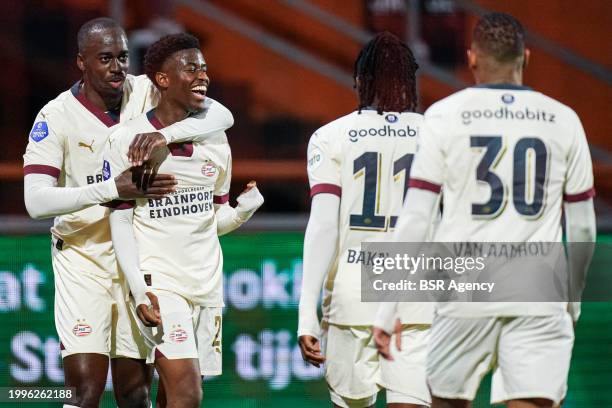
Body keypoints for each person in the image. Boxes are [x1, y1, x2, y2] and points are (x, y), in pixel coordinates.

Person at [374, 13, 596, 408]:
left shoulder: (444, 115)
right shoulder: (564, 120)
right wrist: (573, 297)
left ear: (472, 58)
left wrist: (388, 307)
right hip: (539, 287)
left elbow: (417, 217)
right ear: (525, 57)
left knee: (446, 401)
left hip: (466, 285)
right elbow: (581, 227)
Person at [22, 17, 240, 408]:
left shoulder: (143, 90)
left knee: (134, 393)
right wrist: (111, 189)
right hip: (83, 259)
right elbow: (36, 201)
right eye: (105, 58)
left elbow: (221, 115)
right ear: (81, 62)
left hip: (140, 259)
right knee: (84, 391)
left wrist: (164, 134)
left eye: (122, 57)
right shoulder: (54, 117)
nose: (117, 67)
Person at [104, 33, 263, 408]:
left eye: (204, 68)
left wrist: (242, 210)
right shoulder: (124, 139)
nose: (202, 75)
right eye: (191, 68)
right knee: (188, 394)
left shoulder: (217, 139)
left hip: (207, 287)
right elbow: (120, 220)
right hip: (160, 284)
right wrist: (140, 290)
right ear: (162, 79)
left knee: (172, 398)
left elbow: (212, 219)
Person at [298, 32, 433, 408]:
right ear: (410, 81)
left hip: (353, 293)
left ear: (359, 82)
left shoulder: (330, 136)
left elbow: (323, 225)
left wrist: (306, 312)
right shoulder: (438, 135)